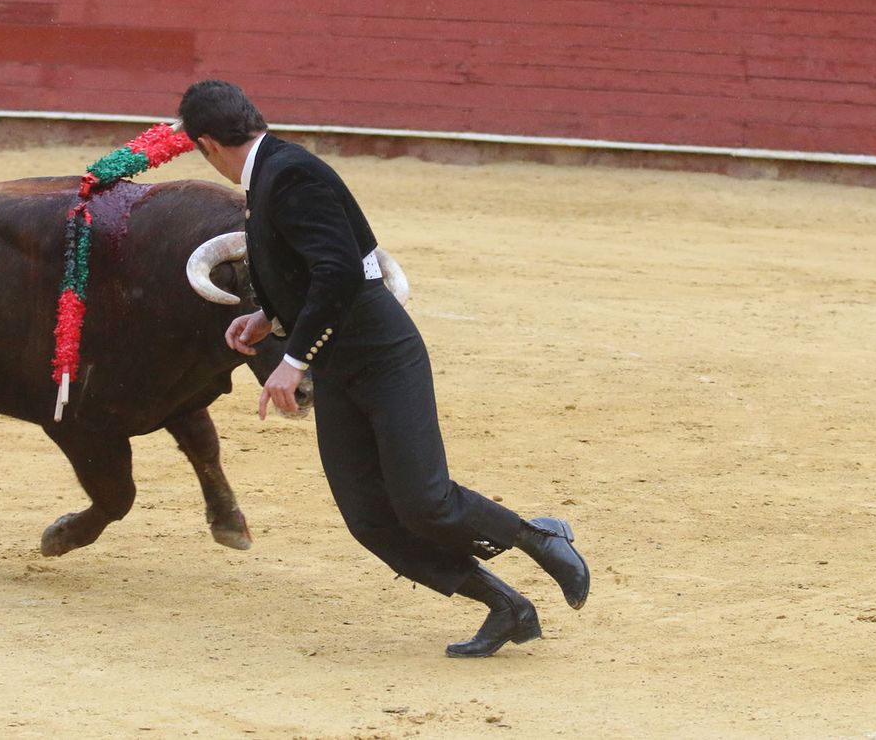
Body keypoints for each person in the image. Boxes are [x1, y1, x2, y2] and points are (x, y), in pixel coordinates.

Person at [179, 80, 590, 659]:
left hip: (383, 355)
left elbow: (341, 271)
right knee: (369, 517)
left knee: (426, 501)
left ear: (205, 144)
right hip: (341, 363)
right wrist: (268, 318)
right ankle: (507, 607)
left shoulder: (290, 175)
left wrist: (292, 361)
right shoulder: (273, 172)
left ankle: (539, 536)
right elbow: (307, 265)